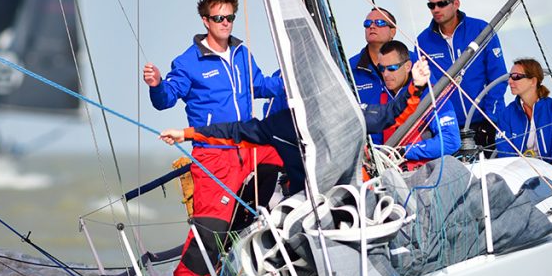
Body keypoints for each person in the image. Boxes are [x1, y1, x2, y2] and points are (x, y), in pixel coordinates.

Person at [143, 0, 286, 276]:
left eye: (230, 17)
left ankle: (246, 231)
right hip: (214, 153)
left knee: (283, 161)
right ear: (206, 21)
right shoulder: (188, 62)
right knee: (209, 231)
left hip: (250, 144)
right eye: (219, 18)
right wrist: (156, 84)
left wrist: (294, 73)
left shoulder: (241, 53)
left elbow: (262, 85)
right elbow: (165, 100)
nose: (225, 23)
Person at [160, 58, 436, 195]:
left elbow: (391, 114)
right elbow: (234, 132)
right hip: (308, 201)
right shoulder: (282, 123)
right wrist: (185, 134)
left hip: (353, 192)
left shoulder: (343, 112)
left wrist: (417, 85)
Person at [416, 0, 507, 151]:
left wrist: (491, 119)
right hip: (448, 127)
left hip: (486, 122)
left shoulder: (481, 29)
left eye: (442, 4)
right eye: (431, 5)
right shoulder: (422, 41)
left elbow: (498, 77)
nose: (436, 9)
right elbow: (426, 88)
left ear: (456, 4)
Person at [376, 40, 460, 165]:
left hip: (427, 175)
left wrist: (405, 151)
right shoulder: (379, 99)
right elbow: (373, 144)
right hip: (390, 176)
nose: (386, 74)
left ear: (408, 67)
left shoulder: (432, 96)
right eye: (381, 69)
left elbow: (451, 141)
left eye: (392, 68)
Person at [348, 7, 413, 142]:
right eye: (367, 24)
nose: (372, 26)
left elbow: (433, 98)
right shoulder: (350, 68)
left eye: (379, 23)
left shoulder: (413, 61)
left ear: (393, 31)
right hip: (370, 152)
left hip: (410, 147)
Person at [493, 58, 552, 167]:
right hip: (518, 174)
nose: (509, 81)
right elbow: (504, 150)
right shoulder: (507, 114)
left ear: (533, 81)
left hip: (551, 172)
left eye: (516, 77)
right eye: (510, 77)